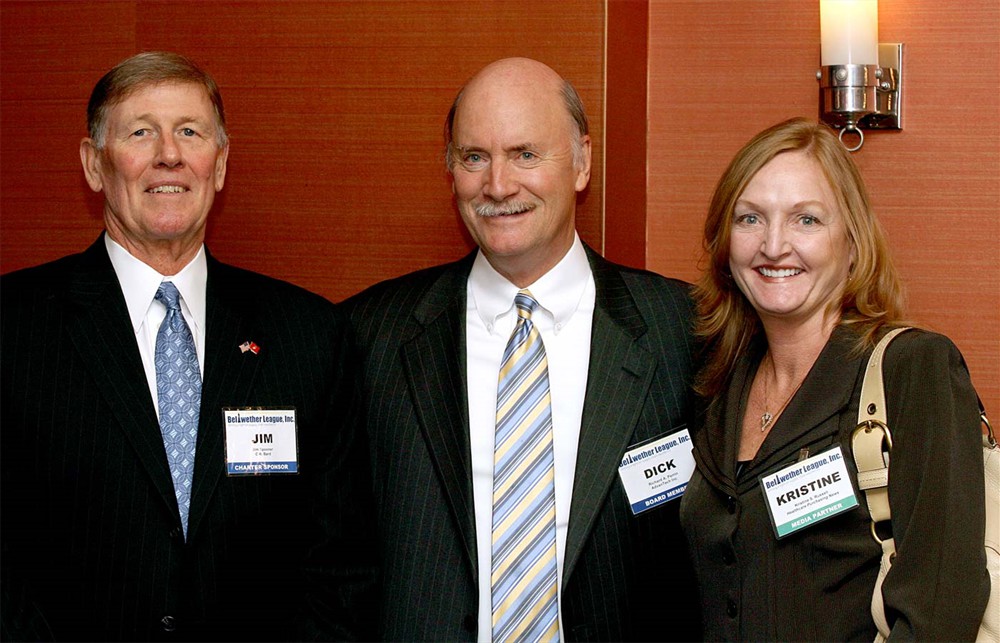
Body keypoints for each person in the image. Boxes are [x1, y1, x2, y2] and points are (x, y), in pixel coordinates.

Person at [313, 57, 701, 641]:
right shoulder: (370, 336)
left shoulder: (686, 329)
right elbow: (333, 561)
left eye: (525, 154)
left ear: (581, 162)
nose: (498, 185)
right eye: (474, 158)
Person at [0, 51, 375, 641]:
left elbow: (339, 565)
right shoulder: (12, 329)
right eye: (140, 131)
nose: (168, 154)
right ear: (93, 164)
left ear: (219, 164)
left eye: (190, 132)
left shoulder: (309, 336)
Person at [679, 117, 990, 640]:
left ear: (852, 243)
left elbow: (940, 610)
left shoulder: (913, 370)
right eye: (751, 218)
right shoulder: (718, 387)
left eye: (806, 220)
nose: (774, 246)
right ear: (724, 245)